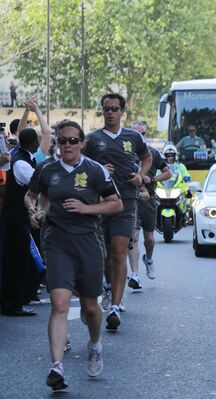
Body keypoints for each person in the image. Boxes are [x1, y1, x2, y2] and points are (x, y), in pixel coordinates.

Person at [26, 120, 122, 390]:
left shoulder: (96, 171)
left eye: (72, 140)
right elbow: (34, 195)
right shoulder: (47, 169)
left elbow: (116, 203)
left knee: (91, 307)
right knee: (59, 303)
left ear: (82, 143)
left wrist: (86, 209)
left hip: (88, 241)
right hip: (57, 240)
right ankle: (56, 367)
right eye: (62, 140)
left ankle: (94, 344)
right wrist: (37, 211)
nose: (67, 145)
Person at [83, 93, 152, 331]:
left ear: (122, 111)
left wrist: (141, 176)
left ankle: (114, 306)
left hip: (126, 201)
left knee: (119, 251)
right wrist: (98, 168)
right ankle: (109, 286)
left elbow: (147, 157)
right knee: (103, 254)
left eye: (114, 109)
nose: (110, 113)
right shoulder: (93, 139)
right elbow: (80, 166)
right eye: (106, 109)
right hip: (100, 202)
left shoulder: (133, 137)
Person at [0, 127, 40, 316]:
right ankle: (13, 304)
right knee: (16, 262)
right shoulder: (21, 163)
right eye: (38, 139)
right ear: (34, 143)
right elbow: (37, 183)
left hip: (18, 219)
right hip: (16, 220)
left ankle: (16, 300)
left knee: (20, 261)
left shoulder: (24, 159)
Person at [127, 121, 171, 288]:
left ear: (145, 135)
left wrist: (152, 179)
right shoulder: (125, 153)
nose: (138, 136)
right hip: (131, 198)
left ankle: (149, 259)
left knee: (149, 239)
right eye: (135, 133)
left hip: (149, 198)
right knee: (134, 237)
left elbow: (168, 173)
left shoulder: (152, 152)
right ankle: (135, 275)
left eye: (142, 133)